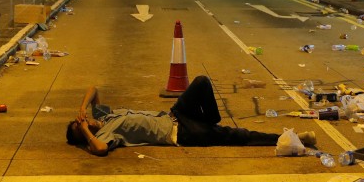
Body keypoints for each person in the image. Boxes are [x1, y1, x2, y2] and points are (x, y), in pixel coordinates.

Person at [66, 76, 316, 156]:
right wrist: (86, 132)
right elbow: (99, 149)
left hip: (177, 115)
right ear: (87, 132)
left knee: (201, 82)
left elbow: (94, 89)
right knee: (239, 136)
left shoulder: (104, 118)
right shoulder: (105, 133)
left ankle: (211, 123)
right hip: (180, 133)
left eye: (84, 120)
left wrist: (82, 108)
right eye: (83, 125)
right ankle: (296, 139)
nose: (87, 121)